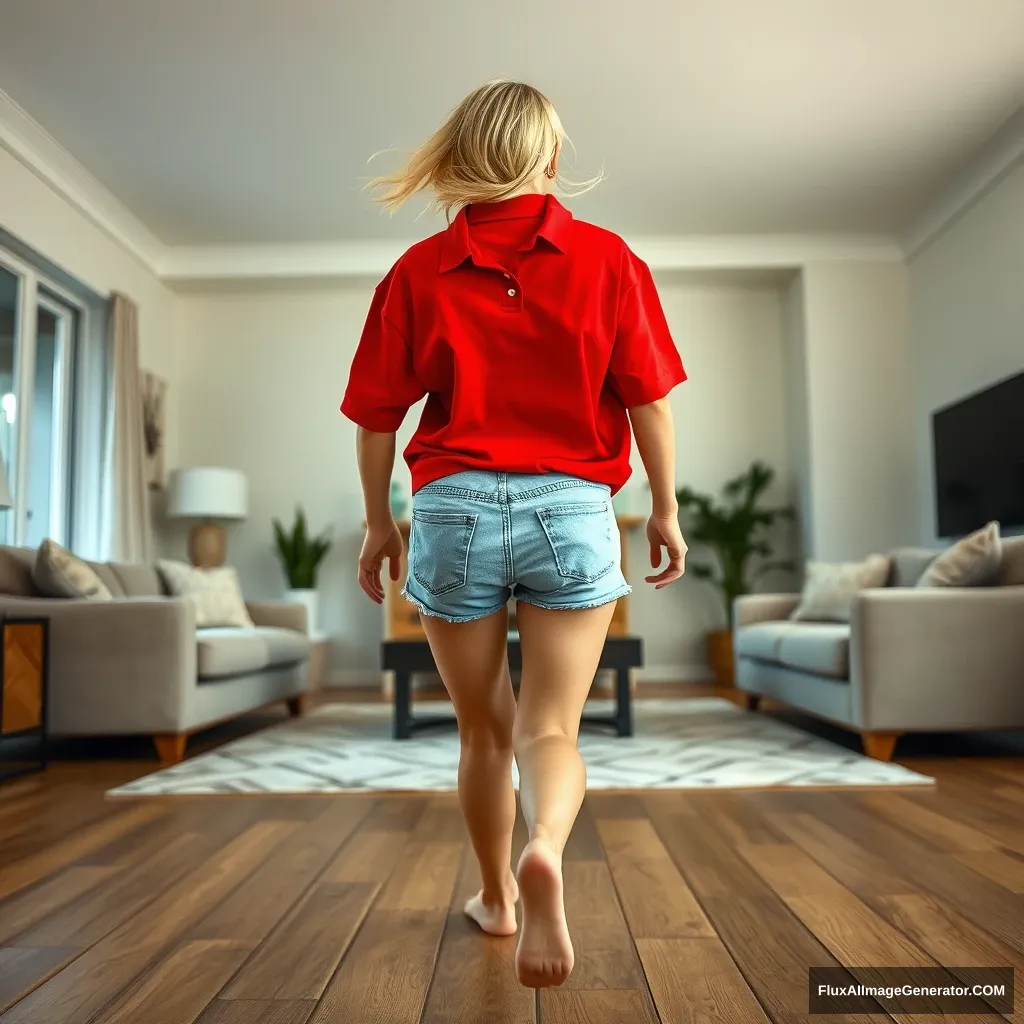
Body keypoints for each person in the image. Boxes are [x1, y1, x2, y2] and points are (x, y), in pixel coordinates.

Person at [340, 79, 687, 990]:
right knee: (551, 729)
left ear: (459, 155)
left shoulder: (418, 270)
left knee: (482, 731)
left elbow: (377, 416)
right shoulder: (610, 259)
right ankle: (546, 843)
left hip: (452, 507)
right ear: (551, 157)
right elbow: (647, 401)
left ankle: (497, 899)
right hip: (572, 510)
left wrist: (380, 524)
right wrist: (665, 509)